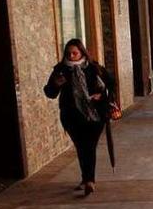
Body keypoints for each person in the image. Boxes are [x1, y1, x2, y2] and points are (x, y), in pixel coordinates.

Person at [43, 39, 114, 197]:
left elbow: (110, 84)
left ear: (82, 52)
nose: (72, 55)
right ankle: (86, 178)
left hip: (95, 114)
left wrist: (101, 95)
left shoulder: (94, 68)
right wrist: (56, 84)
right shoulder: (60, 70)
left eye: (75, 53)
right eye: (68, 53)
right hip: (71, 116)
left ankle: (89, 180)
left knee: (89, 146)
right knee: (81, 147)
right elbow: (50, 93)